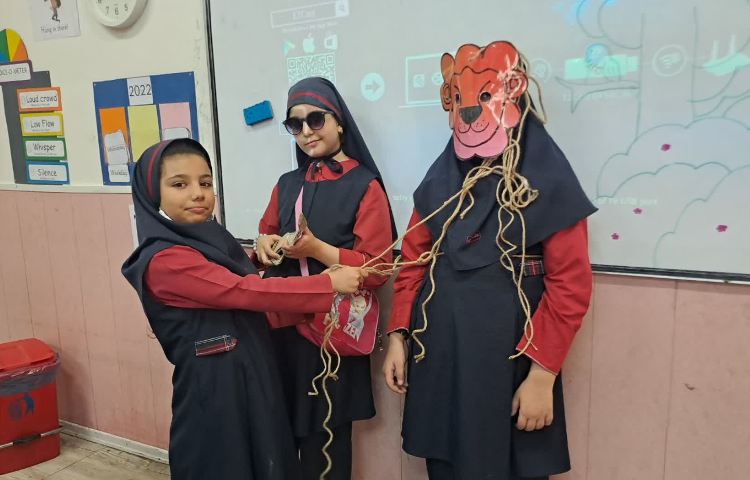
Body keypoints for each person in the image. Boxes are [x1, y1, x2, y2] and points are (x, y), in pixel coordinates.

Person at [382, 41, 597, 479]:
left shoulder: (545, 177)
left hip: (508, 363)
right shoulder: (442, 179)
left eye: (481, 96)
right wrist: (399, 335)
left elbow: (570, 284)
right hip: (441, 354)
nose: (469, 112)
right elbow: (414, 259)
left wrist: (543, 374)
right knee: (445, 464)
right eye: (461, 99)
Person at [121, 138, 365, 480]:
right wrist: (327, 284)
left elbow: (232, 285)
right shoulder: (164, 260)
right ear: (152, 193)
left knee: (265, 460)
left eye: (205, 183)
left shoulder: (206, 239)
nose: (198, 194)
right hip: (215, 391)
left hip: (250, 375)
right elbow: (244, 291)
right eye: (179, 184)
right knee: (225, 464)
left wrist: (262, 256)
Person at [255, 77, 396, 479]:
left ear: (339, 123)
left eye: (315, 119)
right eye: (295, 124)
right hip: (282, 329)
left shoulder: (364, 185)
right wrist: (264, 246)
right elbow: (265, 236)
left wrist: (317, 250)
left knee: (327, 443)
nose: (305, 131)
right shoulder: (287, 184)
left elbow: (377, 268)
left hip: (331, 333)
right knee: (282, 434)